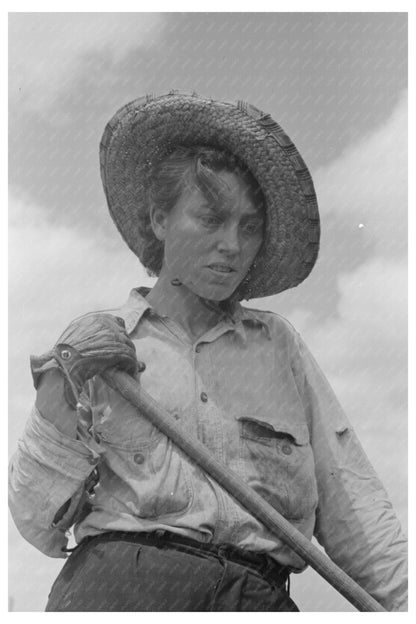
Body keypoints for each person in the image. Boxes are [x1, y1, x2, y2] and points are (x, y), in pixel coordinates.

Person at [9, 92, 407, 612]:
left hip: (256, 600)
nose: (232, 245)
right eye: (211, 218)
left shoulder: (279, 346)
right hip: (119, 595)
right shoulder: (99, 347)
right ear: (159, 220)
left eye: (249, 227)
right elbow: (37, 523)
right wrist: (60, 389)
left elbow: (355, 507)